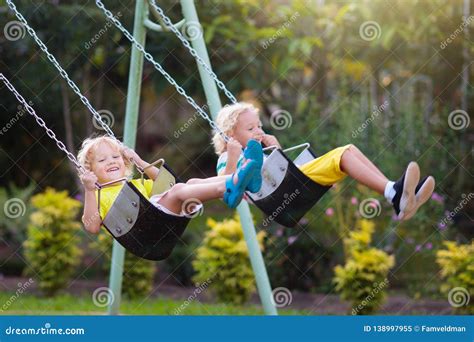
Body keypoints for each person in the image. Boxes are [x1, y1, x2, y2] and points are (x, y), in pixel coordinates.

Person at [212, 102, 435, 221]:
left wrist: (275, 147)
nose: (258, 131)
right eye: (250, 128)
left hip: (289, 184)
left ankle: (397, 195)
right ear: (230, 135)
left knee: (349, 150)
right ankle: (394, 194)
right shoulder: (227, 156)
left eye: (259, 125)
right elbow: (225, 186)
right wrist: (232, 155)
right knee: (343, 155)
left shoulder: (262, 153)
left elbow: (281, 169)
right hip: (276, 195)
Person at [78, 135, 263, 233]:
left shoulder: (136, 184)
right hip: (147, 229)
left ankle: (242, 179)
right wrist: (88, 189)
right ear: (91, 171)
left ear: (124, 161)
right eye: (102, 160)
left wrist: (140, 162)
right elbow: (92, 227)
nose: (111, 162)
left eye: (115, 157)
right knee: (178, 191)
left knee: (190, 183)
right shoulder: (96, 196)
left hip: (162, 216)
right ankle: (231, 185)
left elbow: (167, 183)